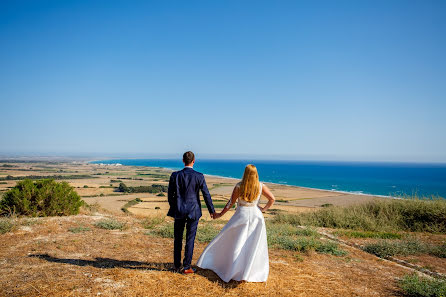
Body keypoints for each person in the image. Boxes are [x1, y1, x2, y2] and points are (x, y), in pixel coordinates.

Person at [197, 164, 275, 282]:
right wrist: (262, 209)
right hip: (256, 216)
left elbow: (230, 203)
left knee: (235, 242)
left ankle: (232, 269)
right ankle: (251, 272)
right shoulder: (261, 186)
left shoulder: (239, 186)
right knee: (254, 245)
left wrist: (220, 214)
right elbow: (272, 199)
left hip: (241, 215)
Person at [167, 151, 216, 274]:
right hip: (194, 211)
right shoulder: (199, 176)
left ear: (183, 161)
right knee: (190, 239)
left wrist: (175, 207)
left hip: (179, 211)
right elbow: (206, 194)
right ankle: (187, 266)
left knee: (177, 238)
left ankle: (176, 266)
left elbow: (170, 195)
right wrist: (212, 211)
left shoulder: (175, 175)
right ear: (194, 161)